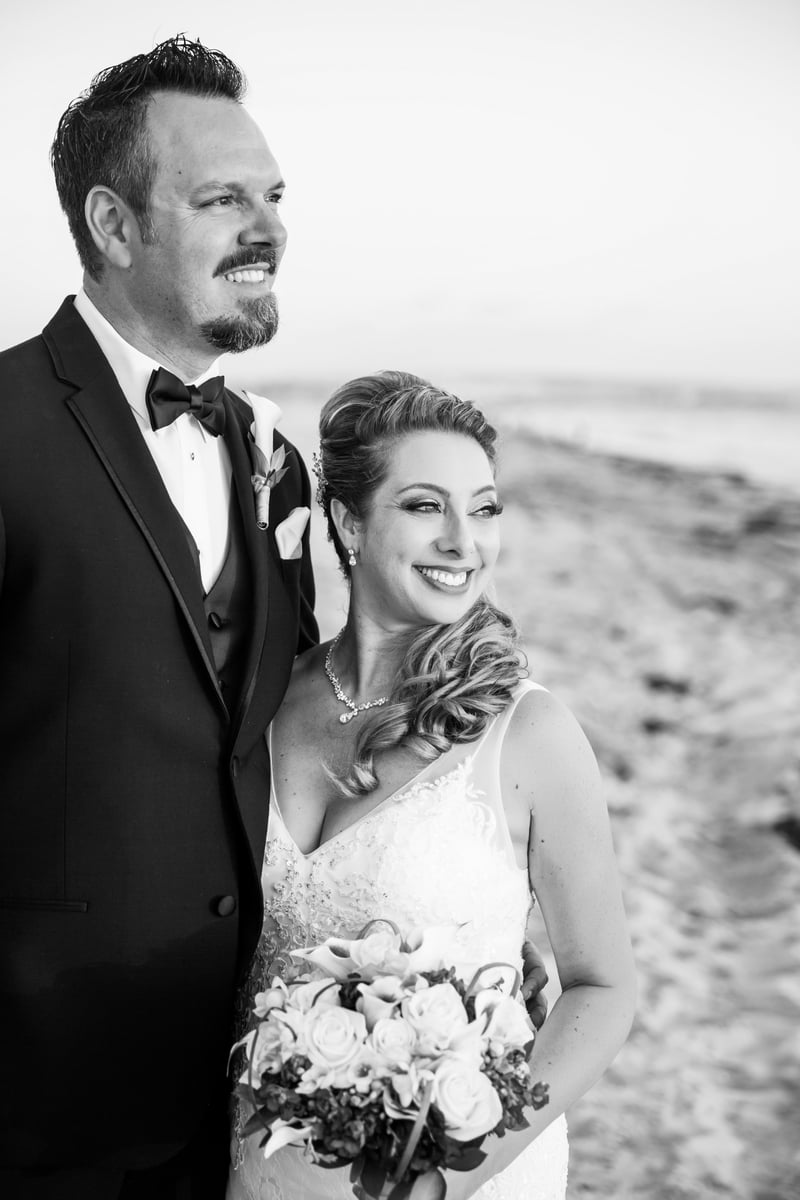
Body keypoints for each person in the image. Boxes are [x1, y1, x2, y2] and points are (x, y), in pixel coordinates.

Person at [0, 36, 318, 1200]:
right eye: (222, 199)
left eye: (272, 196)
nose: (267, 229)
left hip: (240, 1089)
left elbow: (290, 726)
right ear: (114, 223)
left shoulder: (274, 462)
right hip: (33, 1102)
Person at [227, 372, 637, 1200]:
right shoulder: (259, 702)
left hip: (456, 1176)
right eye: (425, 506)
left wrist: (450, 1173)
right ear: (349, 521)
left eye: (483, 509)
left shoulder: (531, 734)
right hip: (261, 1165)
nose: (463, 542)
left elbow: (604, 987)